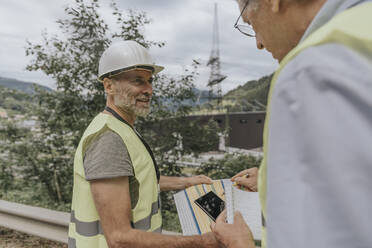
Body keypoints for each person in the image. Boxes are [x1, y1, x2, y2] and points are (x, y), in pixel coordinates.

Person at [212, 0, 372, 248]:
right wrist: (269, 179)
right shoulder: (361, 30)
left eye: (250, 24)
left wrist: (239, 244)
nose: (259, 43)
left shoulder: (311, 70)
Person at [68, 40, 219, 248]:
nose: (149, 90)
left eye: (150, 81)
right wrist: (201, 243)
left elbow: (139, 182)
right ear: (109, 86)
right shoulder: (109, 139)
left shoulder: (121, 128)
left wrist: (186, 182)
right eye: (138, 81)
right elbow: (119, 239)